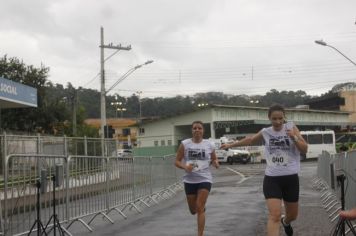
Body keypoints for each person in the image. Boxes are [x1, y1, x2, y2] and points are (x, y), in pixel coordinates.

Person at [221, 104, 308, 236]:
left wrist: (294, 137)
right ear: (269, 118)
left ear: (284, 117)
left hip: (291, 178)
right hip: (272, 179)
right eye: (274, 119)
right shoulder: (266, 132)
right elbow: (250, 140)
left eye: (280, 118)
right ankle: (280, 222)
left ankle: (286, 222)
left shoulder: (291, 127)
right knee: (275, 215)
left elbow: (305, 149)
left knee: (293, 215)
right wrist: (229, 145)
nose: (278, 122)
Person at [175, 120, 219, 236]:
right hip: (189, 180)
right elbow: (177, 161)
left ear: (203, 130)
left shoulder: (209, 144)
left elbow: (214, 158)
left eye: (199, 128)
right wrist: (185, 166)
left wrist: (215, 162)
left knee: (199, 207)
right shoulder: (185, 144)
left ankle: (200, 234)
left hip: (205, 178)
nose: (197, 130)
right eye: (195, 128)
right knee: (193, 210)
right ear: (192, 130)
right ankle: (201, 209)